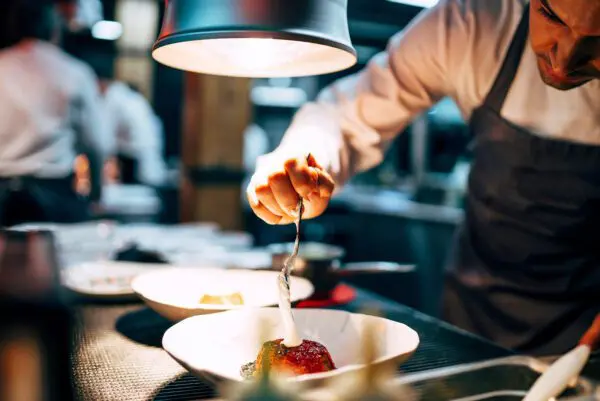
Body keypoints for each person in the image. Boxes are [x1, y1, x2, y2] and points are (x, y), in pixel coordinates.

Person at [247, 0, 600, 355]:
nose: (565, 59)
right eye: (552, 17)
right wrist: (301, 161)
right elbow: (346, 116)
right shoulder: (474, 24)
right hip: (472, 312)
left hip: (588, 327)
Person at [0, 0, 109, 226]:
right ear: (54, 27)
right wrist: (96, 194)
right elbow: (97, 144)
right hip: (54, 196)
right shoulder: (74, 72)